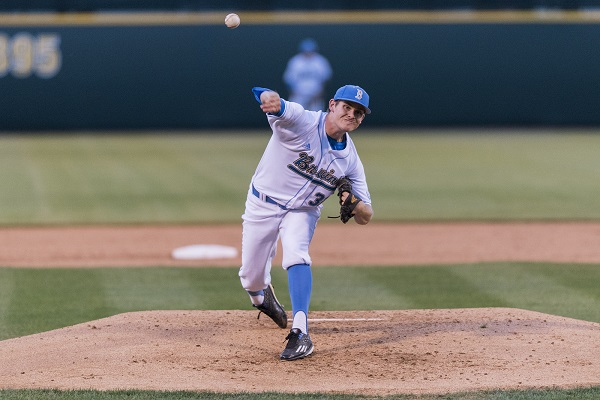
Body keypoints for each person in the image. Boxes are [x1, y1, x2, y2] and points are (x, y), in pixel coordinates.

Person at [238, 84, 374, 361]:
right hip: (263, 203)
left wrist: (354, 202)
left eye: (359, 113)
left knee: (297, 253)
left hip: (302, 211)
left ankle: (300, 332)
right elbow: (267, 97)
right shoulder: (302, 120)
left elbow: (366, 216)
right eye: (347, 107)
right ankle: (261, 298)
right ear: (333, 104)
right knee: (250, 278)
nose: (352, 115)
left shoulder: (350, 161)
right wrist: (268, 98)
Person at [283, 38, 333, 111]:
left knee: (316, 117)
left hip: (315, 95)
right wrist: (293, 92)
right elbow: (288, 79)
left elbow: (326, 78)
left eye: (310, 51)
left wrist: (321, 91)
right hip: (299, 95)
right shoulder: (295, 61)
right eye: (306, 51)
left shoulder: (320, 61)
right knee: (296, 115)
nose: (308, 53)